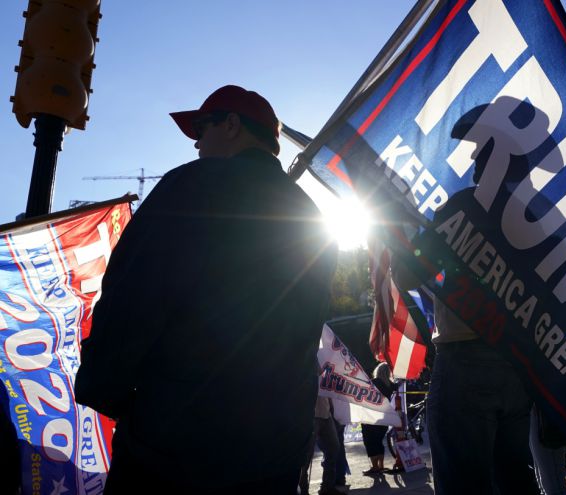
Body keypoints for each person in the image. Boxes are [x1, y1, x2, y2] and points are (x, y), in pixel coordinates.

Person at [74, 85, 337, 494]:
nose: (196, 143)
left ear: (232, 125)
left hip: (175, 446)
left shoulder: (191, 186)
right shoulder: (314, 217)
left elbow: (133, 296)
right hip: (274, 451)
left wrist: (103, 387)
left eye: (202, 128)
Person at [390, 105, 539, 494]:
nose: (473, 163)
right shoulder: (541, 220)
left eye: (478, 153)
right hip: (518, 366)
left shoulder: (464, 207)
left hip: (465, 360)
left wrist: (398, 233)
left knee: (463, 483)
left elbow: (406, 275)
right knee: (515, 478)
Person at [300, 396, 343, 495]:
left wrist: (332, 409)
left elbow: (329, 391)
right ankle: (303, 490)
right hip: (309, 414)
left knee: (333, 448)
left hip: (326, 414)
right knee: (306, 455)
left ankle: (327, 487)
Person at [360, 362, 396, 475]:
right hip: (384, 418)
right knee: (379, 441)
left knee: (370, 442)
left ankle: (375, 467)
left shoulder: (373, 383)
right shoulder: (392, 386)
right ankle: (381, 466)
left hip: (371, 418)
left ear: (377, 371)